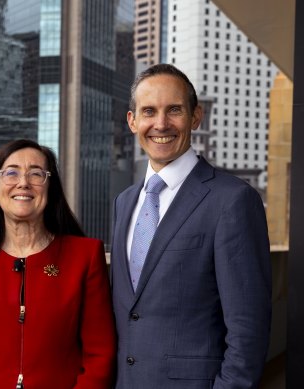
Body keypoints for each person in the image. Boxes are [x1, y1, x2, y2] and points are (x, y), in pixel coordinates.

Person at [110, 63, 272, 389]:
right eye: (149, 111)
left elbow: (248, 327)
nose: (160, 124)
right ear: (132, 121)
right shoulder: (125, 202)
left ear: (195, 117)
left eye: (174, 110)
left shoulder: (233, 200)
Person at [0, 139, 116, 389]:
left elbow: (100, 355)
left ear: (50, 189)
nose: (23, 183)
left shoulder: (86, 256)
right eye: (11, 173)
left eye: (36, 174)